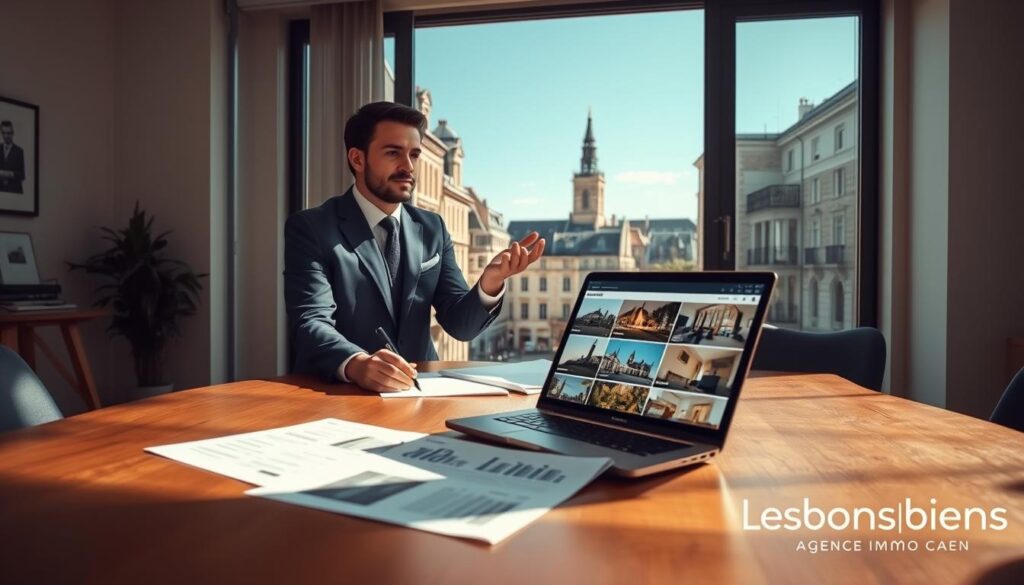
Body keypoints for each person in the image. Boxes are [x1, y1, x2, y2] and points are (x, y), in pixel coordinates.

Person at [284, 101, 545, 392]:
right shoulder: (311, 228)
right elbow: (310, 322)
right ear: (357, 159)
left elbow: (461, 325)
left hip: (423, 392)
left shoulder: (433, 228)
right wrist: (356, 363)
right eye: (393, 153)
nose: (408, 167)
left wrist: (490, 283)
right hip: (341, 395)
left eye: (414, 155)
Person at [0, 121, 26, 194]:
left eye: (8, 133)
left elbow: (22, 175)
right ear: (1, 133)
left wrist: (8, 174)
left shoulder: (19, 151)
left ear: (12, 133)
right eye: (3, 133)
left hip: (14, 192)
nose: (6, 136)